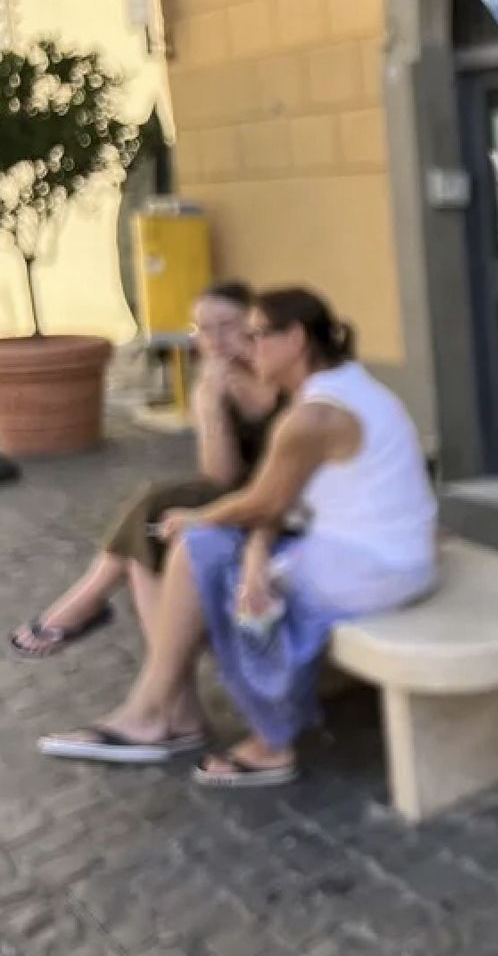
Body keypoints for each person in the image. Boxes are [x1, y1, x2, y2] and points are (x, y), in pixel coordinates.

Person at [38, 288, 438, 786]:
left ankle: (264, 740)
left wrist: (202, 520)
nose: (245, 347)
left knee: (205, 559)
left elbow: (261, 502)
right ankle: (161, 710)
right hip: (379, 552)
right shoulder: (340, 388)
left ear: (293, 339)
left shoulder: (313, 415)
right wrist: (246, 547)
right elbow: (276, 500)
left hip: (376, 568)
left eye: (255, 335)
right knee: (187, 549)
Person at [11, 282, 284, 658]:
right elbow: (220, 476)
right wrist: (212, 407)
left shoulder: (281, 371)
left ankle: (89, 606)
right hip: (241, 490)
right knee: (148, 535)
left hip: (283, 495)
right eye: (203, 329)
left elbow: (234, 483)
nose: (216, 339)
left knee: (154, 509)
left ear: (254, 323)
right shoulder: (213, 381)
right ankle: (164, 677)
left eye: (228, 325)